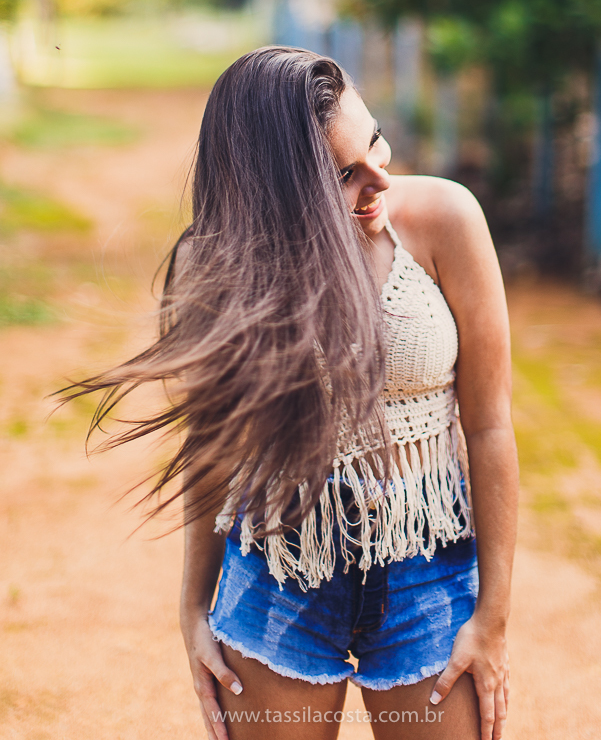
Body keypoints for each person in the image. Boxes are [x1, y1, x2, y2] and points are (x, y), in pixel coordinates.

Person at [78, 46, 517, 740]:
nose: (381, 180)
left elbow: (490, 426)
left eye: (376, 140)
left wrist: (491, 620)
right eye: (345, 175)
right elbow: (211, 448)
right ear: (278, 190)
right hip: (281, 567)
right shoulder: (218, 264)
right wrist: (193, 608)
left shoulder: (445, 221)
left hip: (426, 568)